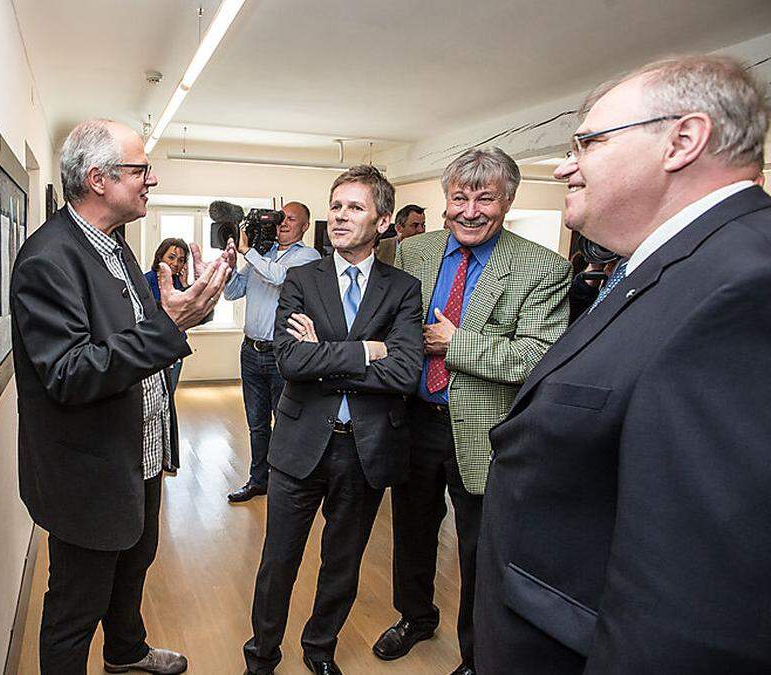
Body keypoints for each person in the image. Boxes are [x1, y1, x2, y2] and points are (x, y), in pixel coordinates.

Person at [477, 54, 771, 674]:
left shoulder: (746, 285)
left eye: (586, 143)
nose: (564, 165)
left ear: (681, 141)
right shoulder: (674, 265)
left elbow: (696, 596)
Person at [11, 119, 233, 674]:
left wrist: (188, 313)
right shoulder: (49, 259)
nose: (151, 179)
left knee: (133, 564)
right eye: (140, 169)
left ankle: (125, 652)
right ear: (98, 180)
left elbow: (139, 332)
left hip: (141, 455)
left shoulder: (116, 247)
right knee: (74, 607)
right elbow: (67, 373)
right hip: (90, 470)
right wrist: (169, 326)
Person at [377, 148, 571, 675]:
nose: (470, 210)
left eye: (485, 198)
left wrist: (455, 344)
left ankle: (476, 652)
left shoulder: (543, 267)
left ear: (507, 201)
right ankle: (414, 618)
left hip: (487, 434)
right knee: (412, 534)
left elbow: (539, 355)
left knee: (479, 551)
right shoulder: (414, 252)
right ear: (446, 201)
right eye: (459, 197)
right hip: (414, 421)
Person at [242, 165, 424, 675]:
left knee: (342, 565)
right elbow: (289, 362)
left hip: (365, 449)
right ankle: (261, 658)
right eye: (336, 205)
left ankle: (320, 649)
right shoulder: (301, 279)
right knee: (278, 562)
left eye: (355, 207)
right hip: (300, 443)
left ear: (383, 221)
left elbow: (406, 371)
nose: (340, 216)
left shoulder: (403, 289)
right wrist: (367, 351)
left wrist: (325, 354)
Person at [223, 201, 321, 502]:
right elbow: (232, 292)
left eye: (291, 219)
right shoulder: (262, 255)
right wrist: (229, 266)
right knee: (256, 422)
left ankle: (286, 482)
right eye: (280, 218)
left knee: (285, 420)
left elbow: (279, 277)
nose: (283, 223)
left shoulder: (308, 257)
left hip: (281, 353)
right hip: (250, 351)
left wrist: (247, 252)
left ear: (305, 226)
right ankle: (258, 480)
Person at [144, 237, 193, 472]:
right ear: (160, 257)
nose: (175, 263)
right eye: (171, 257)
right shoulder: (146, 280)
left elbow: (188, 318)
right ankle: (155, 454)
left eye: (181, 259)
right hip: (154, 350)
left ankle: (167, 457)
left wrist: (186, 286)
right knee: (156, 403)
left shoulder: (180, 284)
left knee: (168, 402)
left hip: (175, 350)